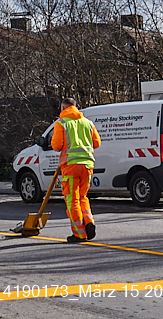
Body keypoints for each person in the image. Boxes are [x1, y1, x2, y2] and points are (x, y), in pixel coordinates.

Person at [51, 97, 101, 243]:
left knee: (72, 201)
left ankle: (79, 234)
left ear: (63, 108)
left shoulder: (61, 123)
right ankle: (88, 221)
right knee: (83, 197)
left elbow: (56, 146)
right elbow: (96, 143)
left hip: (71, 167)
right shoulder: (88, 123)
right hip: (87, 166)